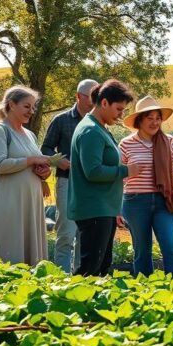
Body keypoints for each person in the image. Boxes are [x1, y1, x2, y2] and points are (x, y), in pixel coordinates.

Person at [68, 79, 139, 276]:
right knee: (89, 270)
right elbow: (93, 171)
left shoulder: (100, 128)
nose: (121, 115)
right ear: (104, 102)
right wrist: (126, 171)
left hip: (103, 208)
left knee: (101, 267)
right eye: (118, 109)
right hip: (94, 209)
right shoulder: (90, 131)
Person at [0, 86, 52, 265]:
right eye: (27, 106)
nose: (31, 112)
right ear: (12, 105)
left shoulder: (30, 135)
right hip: (8, 202)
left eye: (33, 107)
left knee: (30, 257)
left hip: (30, 203)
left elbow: (33, 164)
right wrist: (31, 160)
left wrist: (44, 172)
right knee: (8, 254)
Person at [119, 96, 173, 277]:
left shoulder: (169, 142)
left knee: (171, 249)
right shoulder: (126, 144)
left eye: (158, 118)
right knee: (142, 252)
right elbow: (119, 178)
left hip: (165, 201)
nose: (155, 122)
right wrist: (116, 207)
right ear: (139, 120)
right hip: (134, 202)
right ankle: (145, 291)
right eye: (150, 118)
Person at [41, 78, 98, 273]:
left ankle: (81, 279)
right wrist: (59, 161)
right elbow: (46, 148)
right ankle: (61, 279)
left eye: (96, 97)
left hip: (91, 185)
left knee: (86, 235)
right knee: (66, 233)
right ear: (78, 96)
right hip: (67, 181)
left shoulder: (98, 123)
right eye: (90, 96)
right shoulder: (61, 120)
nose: (94, 101)